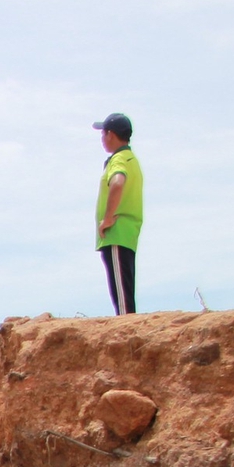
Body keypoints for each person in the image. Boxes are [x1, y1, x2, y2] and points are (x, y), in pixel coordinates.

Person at [92, 112, 143, 315]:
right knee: (124, 290)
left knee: (122, 298)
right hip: (127, 233)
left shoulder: (119, 159)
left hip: (117, 232)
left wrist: (108, 218)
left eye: (103, 133)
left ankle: (127, 327)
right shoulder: (131, 159)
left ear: (110, 134)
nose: (102, 138)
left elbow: (118, 182)